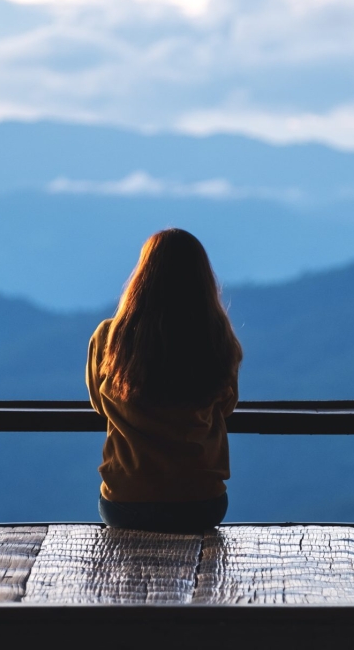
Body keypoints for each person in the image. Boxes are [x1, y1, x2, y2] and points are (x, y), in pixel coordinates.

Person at [86, 228, 242, 534]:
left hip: (126, 502)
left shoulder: (109, 338)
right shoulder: (217, 340)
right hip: (202, 502)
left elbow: (99, 404)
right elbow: (226, 406)